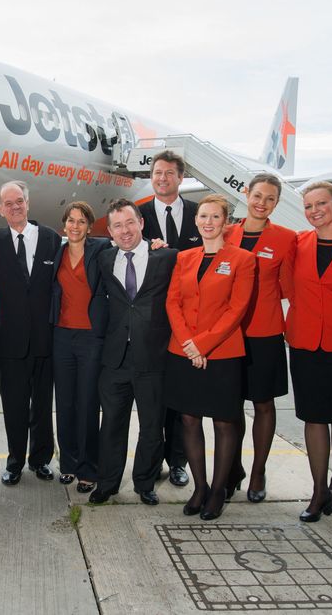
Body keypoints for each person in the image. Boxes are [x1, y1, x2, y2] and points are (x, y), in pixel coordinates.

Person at [165, 195, 255, 520]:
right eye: (203, 216)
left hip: (222, 352)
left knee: (224, 422)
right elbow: (172, 303)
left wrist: (203, 344)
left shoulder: (243, 260)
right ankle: (199, 487)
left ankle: (218, 490)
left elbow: (237, 309)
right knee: (189, 419)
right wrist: (190, 343)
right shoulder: (184, 258)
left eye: (215, 217)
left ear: (225, 221)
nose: (208, 222)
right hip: (184, 351)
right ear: (196, 220)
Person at [89, 199, 178, 506]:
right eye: (117, 226)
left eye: (129, 223)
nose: (124, 231)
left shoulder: (167, 257)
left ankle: (144, 482)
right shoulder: (104, 257)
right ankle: (107, 483)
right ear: (110, 231)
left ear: (141, 223)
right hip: (115, 359)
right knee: (112, 424)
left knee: (152, 426)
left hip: (153, 356)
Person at [286, 181, 332, 522]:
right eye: (308, 206)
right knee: (313, 416)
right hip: (304, 343)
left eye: (321, 204)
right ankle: (318, 490)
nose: (315, 211)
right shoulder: (299, 243)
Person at [226, 173, 296, 503]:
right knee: (230, 405)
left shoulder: (285, 238)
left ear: (277, 203)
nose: (262, 203)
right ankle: (233, 468)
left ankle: (258, 471)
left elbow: (288, 287)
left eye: (270, 199)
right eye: (257, 196)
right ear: (246, 193)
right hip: (230, 333)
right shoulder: (227, 234)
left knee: (263, 404)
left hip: (265, 333)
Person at [0, 181, 62, 486]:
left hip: (45, 338)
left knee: (43, 404)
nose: (15, 207)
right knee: (14, 405)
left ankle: (41, 459)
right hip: (10, 340)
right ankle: (15, 460)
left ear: (28, 203)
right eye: (8, 203)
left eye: (19, 201)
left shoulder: (51, 238)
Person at [139, 150, 202, 489]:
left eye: (168, 173)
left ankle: (178, 461)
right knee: (154, 397)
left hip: (190, 320)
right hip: (153, 319)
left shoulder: (197, 214)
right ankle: (152, 459)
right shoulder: (139, 215)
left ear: (181, 178)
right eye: (157, 173)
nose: (162, 178)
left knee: (181, 396)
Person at [50, 201, 111, 493]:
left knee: (88, 403)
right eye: (71, 221)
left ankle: (89, 468)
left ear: (89, 226)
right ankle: (69, 464)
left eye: (81, 222)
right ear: (65, 224)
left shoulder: (100, 250)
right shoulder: (57, 252)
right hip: (61, 336)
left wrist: (154, 244)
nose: (75, 226)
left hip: (90, 338)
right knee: (65, 403)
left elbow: (130, 244)